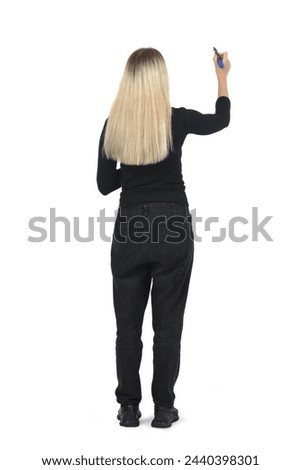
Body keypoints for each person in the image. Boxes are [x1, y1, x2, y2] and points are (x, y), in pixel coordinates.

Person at [96, 47, 231, 428]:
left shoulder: (114, 124)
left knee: (127, 327)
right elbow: (221, 120)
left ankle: (128, 408)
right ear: (161, 79)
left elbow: (105, 185)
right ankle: (165, 409)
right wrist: (222, 76)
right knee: (167, 325)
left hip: (131, 229)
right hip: (172, 226)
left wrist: (137, 173)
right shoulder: (178, 120)